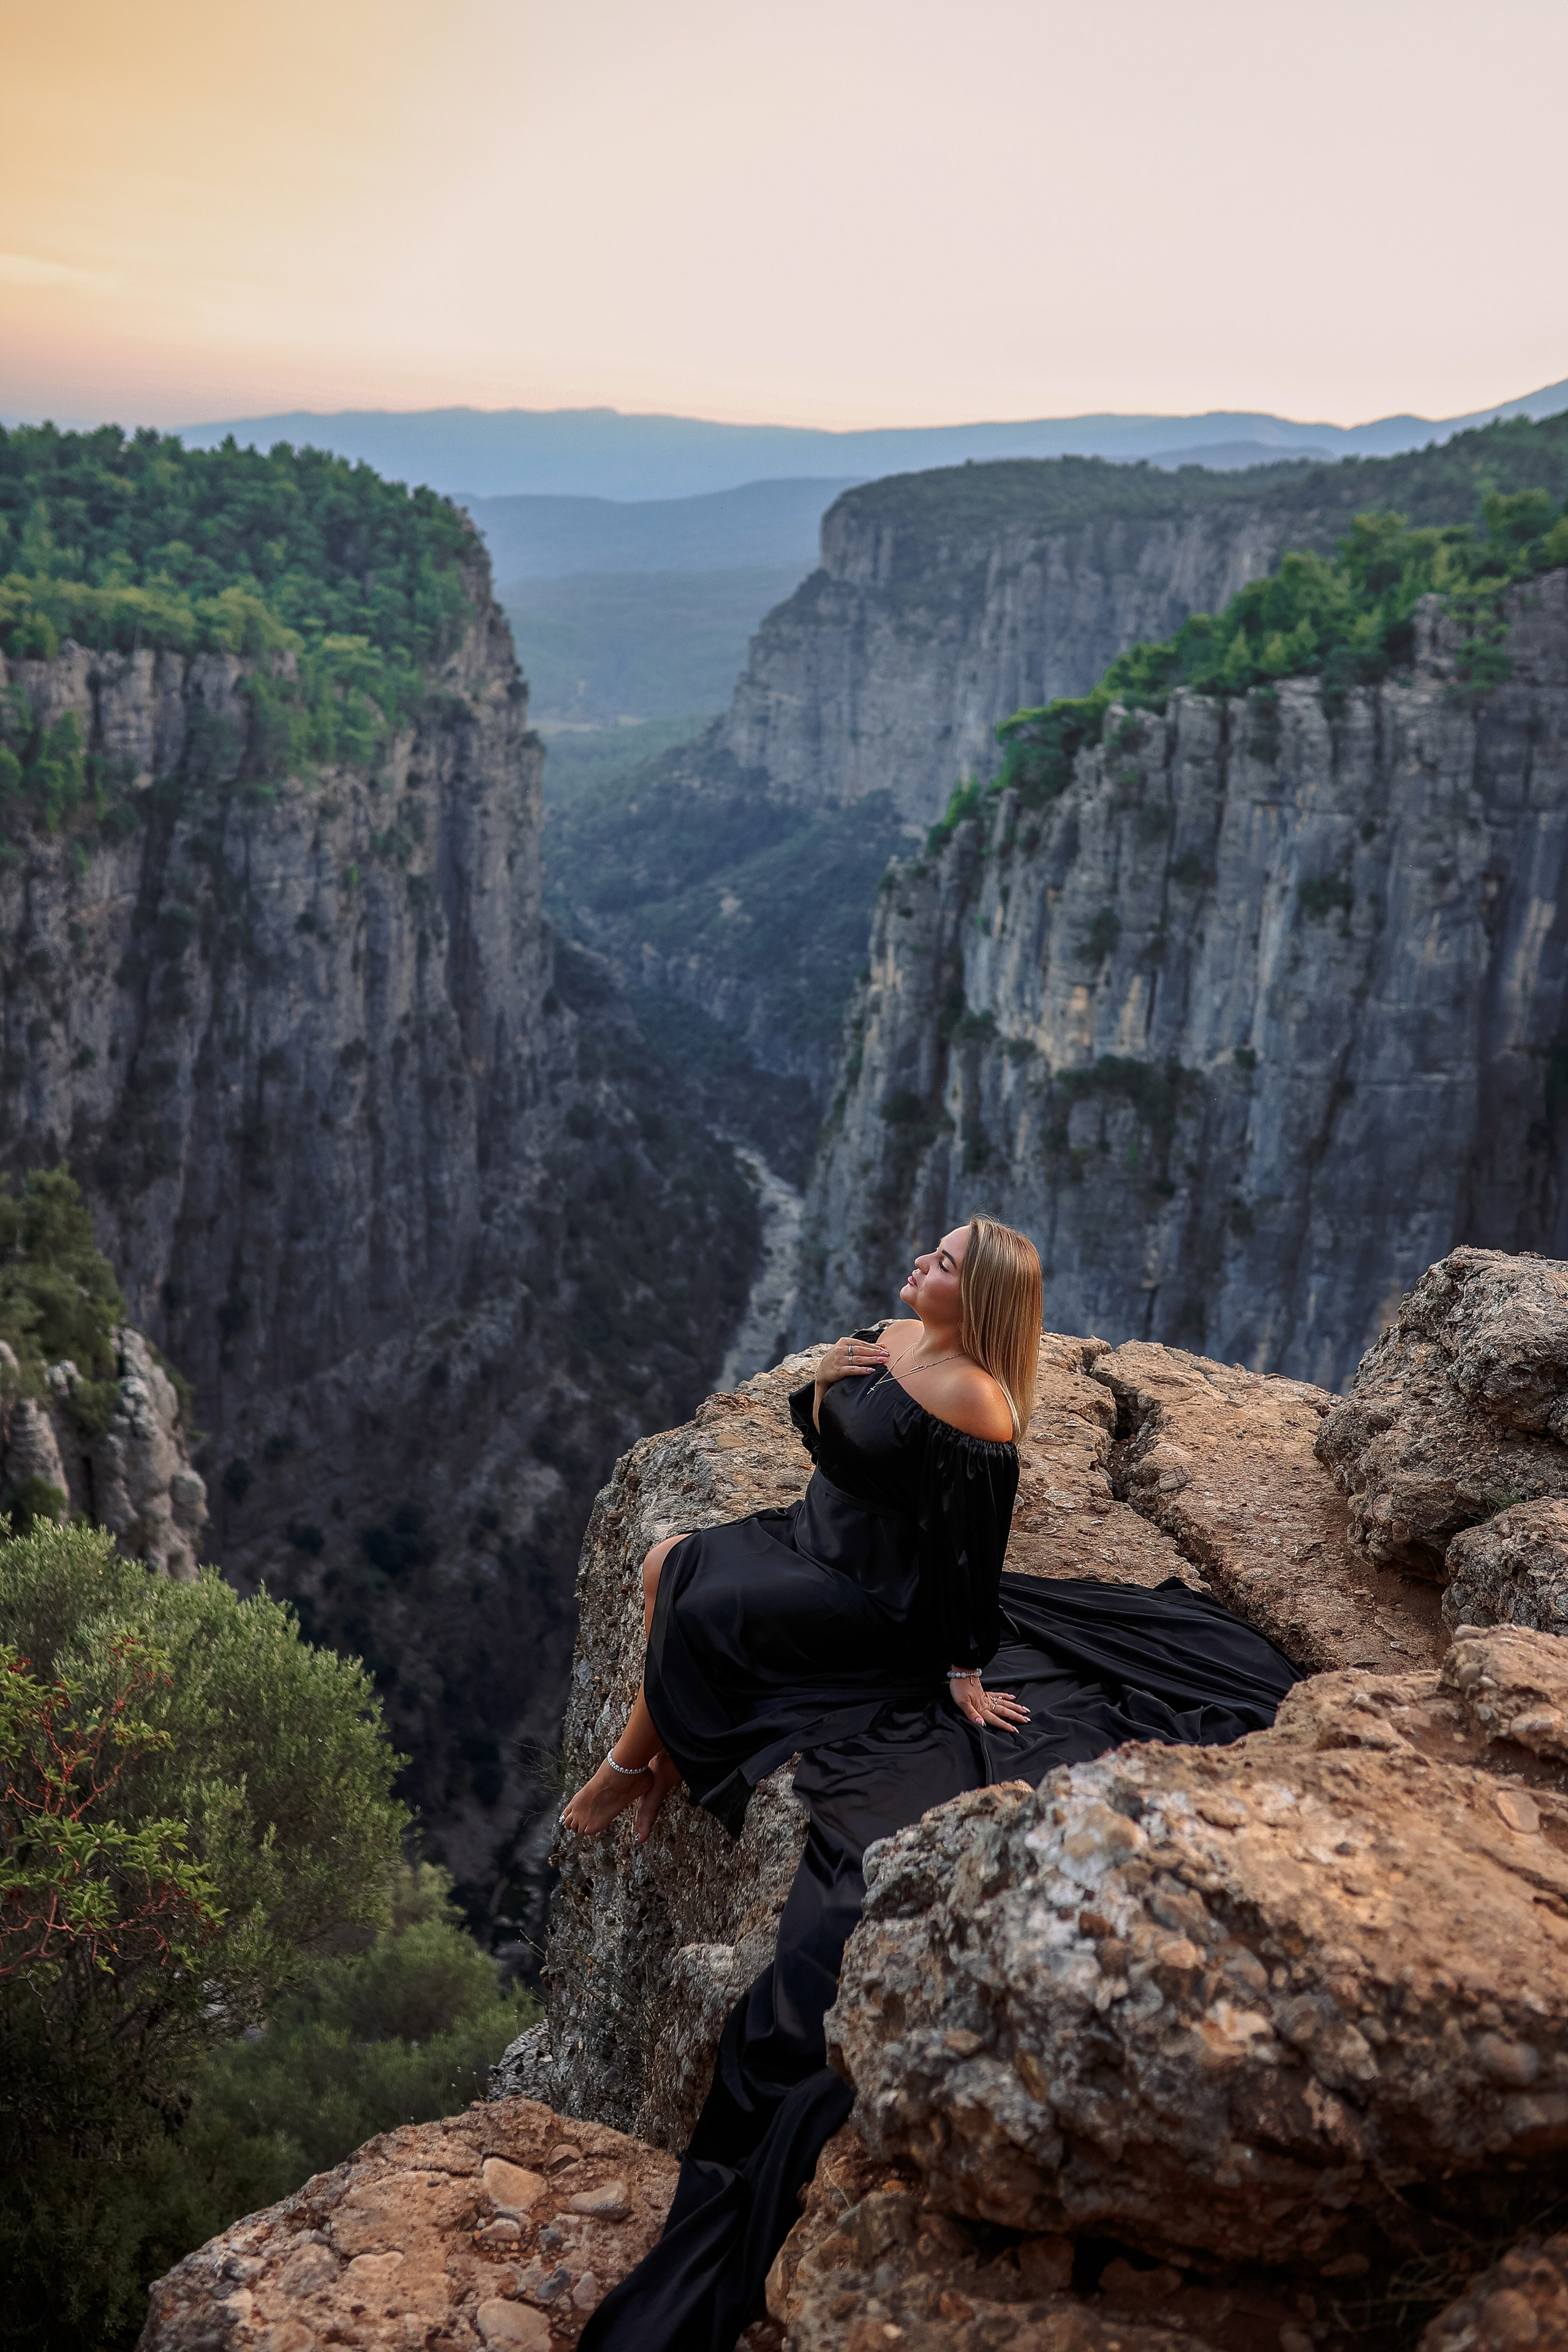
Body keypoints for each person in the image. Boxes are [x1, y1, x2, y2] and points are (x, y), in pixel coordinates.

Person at [565, 1216, 1302, 2352]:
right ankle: (644, 1763)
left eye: (947, 1262)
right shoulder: (887, 1341)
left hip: (876, 1609)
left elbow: (971, 1548)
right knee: (674, 1560)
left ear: (983, 1300)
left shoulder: (977, 1404)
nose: (923, 1261)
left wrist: (961, 1671)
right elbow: (827, 1443)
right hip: (813, 1543)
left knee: (699, 1589)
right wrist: (823, 1375)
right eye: (934, 1251)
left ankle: (628, 1773)